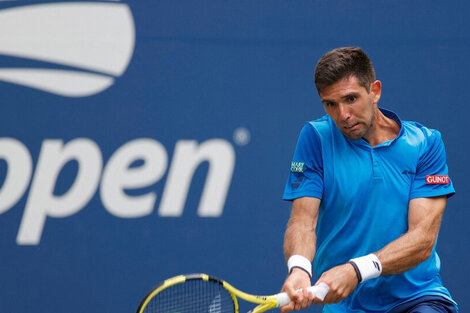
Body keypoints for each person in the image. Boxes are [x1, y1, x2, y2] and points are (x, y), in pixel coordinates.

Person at [280, 47, 458, 313]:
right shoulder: (315, 138)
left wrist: (357, 270)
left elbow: (422, 239)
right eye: (330, 104)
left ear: (375, 91)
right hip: (346, 306)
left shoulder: (425, 144)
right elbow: (303, 220)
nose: (343, 115)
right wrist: (299, 268)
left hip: (417, 298)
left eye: (351, 99)